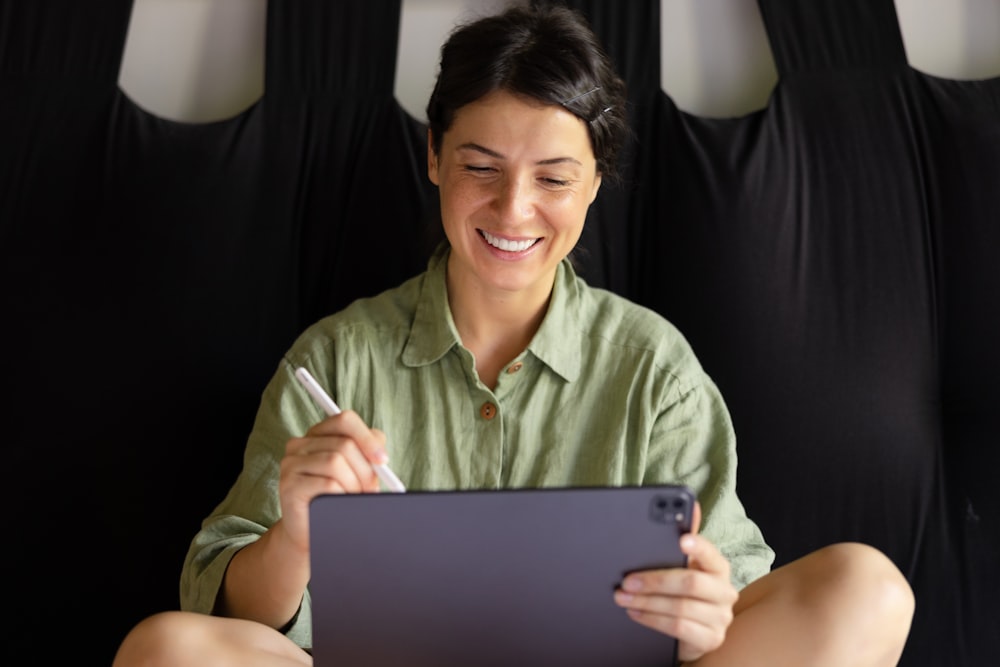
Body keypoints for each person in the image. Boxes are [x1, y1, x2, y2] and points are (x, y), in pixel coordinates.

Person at [113, 5, 914, 666]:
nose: (513, 210)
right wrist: (296, 532)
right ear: (432, 155)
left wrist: (708, 613)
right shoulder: (335, 357)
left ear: (597, 181)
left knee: (866, 586)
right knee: (167, 647)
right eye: (481, 167)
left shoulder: (653, 369)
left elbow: (731, 602)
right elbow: (226, 610)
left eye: (554, 178)